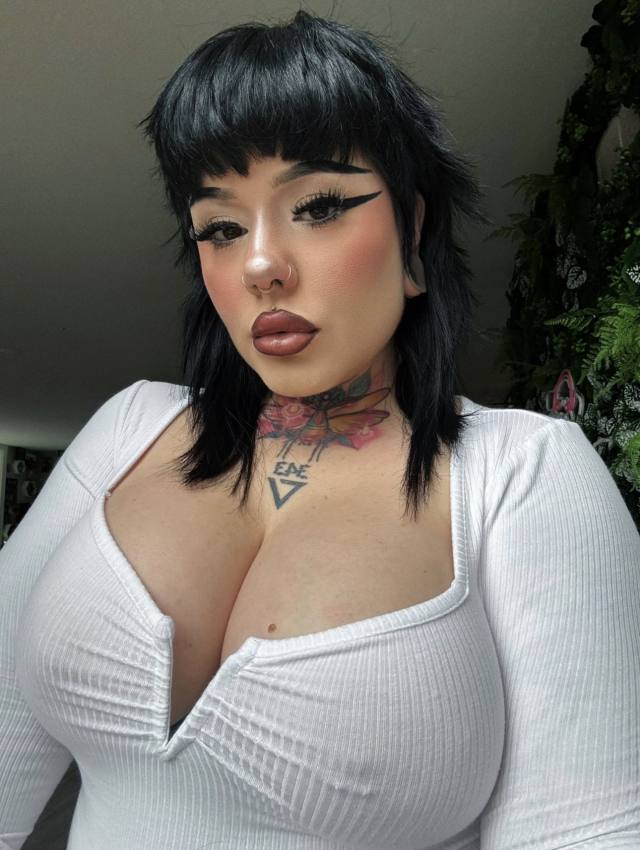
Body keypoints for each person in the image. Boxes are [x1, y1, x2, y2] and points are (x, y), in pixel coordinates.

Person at [1, 9, 639, 850]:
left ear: (413, 231)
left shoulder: (522, 473)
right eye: (221, 227)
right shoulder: (130, 429)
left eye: (320, 205)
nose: (261, 265)